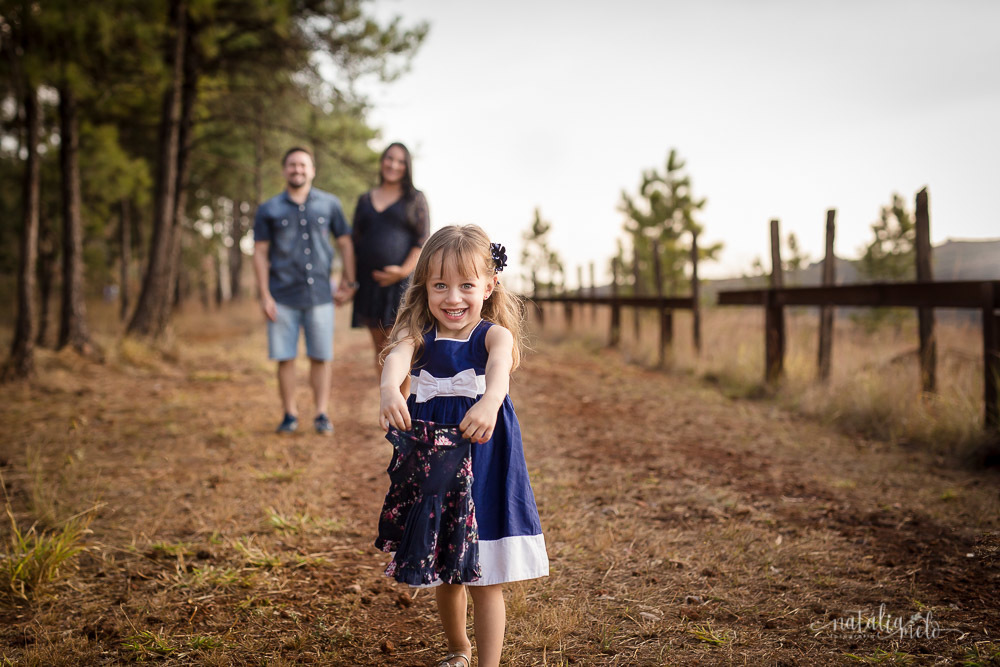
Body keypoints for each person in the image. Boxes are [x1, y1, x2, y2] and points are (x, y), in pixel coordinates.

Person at [378, 225, 548, 667]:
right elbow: (397, 356)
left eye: (466, 285)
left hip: (485, 452)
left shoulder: (493, 335)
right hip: (436, 457)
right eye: (440, 286)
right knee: (445, 568)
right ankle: (459, 649)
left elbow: (499, 370)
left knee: (485, 572)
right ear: (425, 288)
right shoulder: (418, 333)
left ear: (489, 286)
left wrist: (491, 401)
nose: (453, 298)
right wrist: (389, 389)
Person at [252, 146, 357, 435]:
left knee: (321, 356)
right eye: (292, 165)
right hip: (282, 296)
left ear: (312, 170)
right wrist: (264, 294)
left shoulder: (330, 204)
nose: (297, 170)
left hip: (321, 295)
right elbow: (260, 253)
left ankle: (321, 413)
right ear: (284, 170)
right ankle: (289, 414)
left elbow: (345, 243)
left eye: (303, 165)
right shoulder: (268, 209)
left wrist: (349, 282)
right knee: (284, 356)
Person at [352, 142, 429, 383]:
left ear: (407, 167)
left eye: (400, 161)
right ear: (382, 161)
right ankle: (389, 408)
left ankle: (404, 412)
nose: (393, 165)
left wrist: (402, 272)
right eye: (389, 159)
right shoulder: (365, 200)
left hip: (402, 286)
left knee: (401, 348)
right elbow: (355, 242)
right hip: (370, 286)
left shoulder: (415, 199)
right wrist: (350, 280)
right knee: (380, 350)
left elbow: (422, 240)